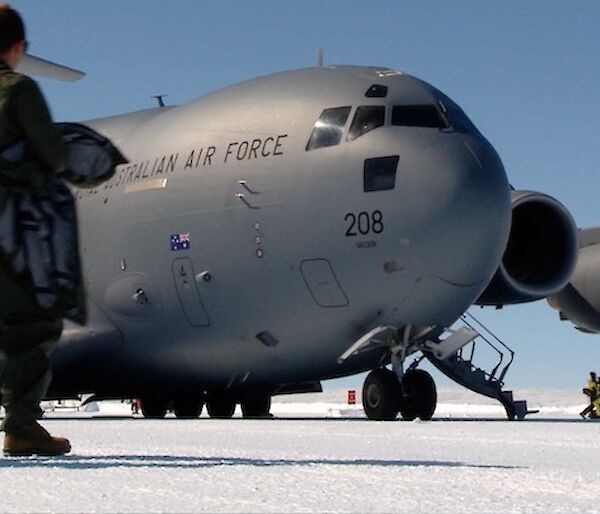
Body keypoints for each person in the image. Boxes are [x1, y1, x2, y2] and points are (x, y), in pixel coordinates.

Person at [0, 4, 71, 456]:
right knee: (33, 323)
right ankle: (21, 427)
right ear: (18, 48)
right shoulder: (18, 88)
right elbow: (54, 154)